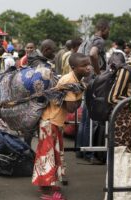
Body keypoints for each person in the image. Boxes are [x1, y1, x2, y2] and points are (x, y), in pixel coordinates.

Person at [32, 53, 91, 199]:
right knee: (47, 156)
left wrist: (80, 90)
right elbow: (71, 107)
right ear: (73, 67)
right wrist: (81, 93)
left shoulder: (75, 80)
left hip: (54, 121)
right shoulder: (70, 80)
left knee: (52, 155)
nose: (88, 68)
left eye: (88, 64)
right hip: (50, 121)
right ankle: (46, 192)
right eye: (84, 65)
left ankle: (47, 185)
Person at [76, 19, 109, 163]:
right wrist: (98, 72)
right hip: (94, 83)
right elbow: (93, 54)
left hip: (85, 81)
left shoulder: (85, 40)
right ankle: (90, 155)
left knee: (84, 120)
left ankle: (81, 151)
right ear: (104, 29)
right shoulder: (99, 41)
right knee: (92, 120)